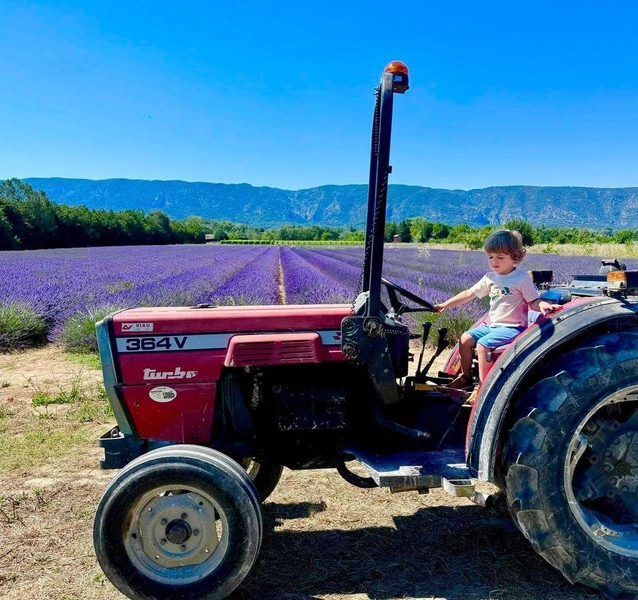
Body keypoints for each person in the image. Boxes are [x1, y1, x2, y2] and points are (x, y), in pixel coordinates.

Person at [434, 229, 560, 389]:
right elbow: (469, 294)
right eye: (490, 257)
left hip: (513, 327)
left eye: (500, 257)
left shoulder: (521, 278)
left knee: (482, 345)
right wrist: (445, 304)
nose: (494, 261)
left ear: (515, 257)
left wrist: (543, 305)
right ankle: (465, 377)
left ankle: (483, 388)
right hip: (493, 326)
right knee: (465, 340)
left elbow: (533, 301)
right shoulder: (490, 278)